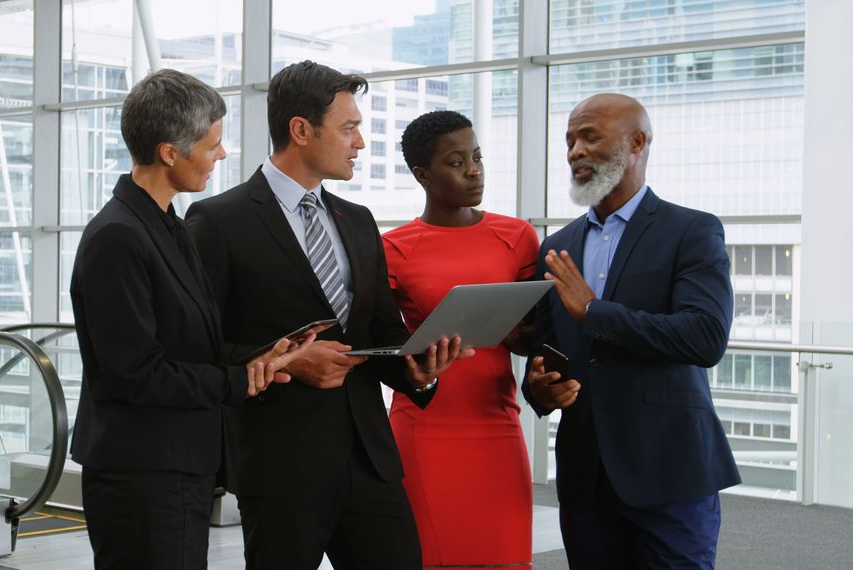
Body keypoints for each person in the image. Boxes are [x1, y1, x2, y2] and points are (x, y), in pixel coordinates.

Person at [185, 61, 471, 570]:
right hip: (280, 464)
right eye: (349, 127)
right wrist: (289, 363)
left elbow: (381, 333)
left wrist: (417, 371)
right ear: (300, 130)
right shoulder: (217, 222)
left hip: (369, 460)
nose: (360, 142)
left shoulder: (358, 221)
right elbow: (200, 347)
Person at [69, 69, 312, 570]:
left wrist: (263, 356)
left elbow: (192, 344)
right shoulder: (118, 237)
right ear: (169, 152)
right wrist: (237, 380)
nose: (221, 156)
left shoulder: (169, 226)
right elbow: (134, 372)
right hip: (142, 471)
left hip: (177, 464)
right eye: (212, 145)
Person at [524, 93, 740, 568]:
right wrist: (539, 388)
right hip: (586, 478)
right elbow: (548, 350)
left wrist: (595, 312)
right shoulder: (557, 248)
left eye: (590, 136)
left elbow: (705, 337)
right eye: (569, 140)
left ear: (637, 142)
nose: (574, 151)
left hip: (670, 472)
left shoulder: (692, 231)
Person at [381, 110, 538, 567]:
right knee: (433, 557)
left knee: (507, 557)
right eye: (456, 162)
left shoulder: (518, 236)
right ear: (422, 175)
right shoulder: (394, 247)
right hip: (425, 425)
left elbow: (533, 336)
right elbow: (384, 343)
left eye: (478, 157)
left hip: (496, 420)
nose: (474, 170)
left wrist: (514, 331)